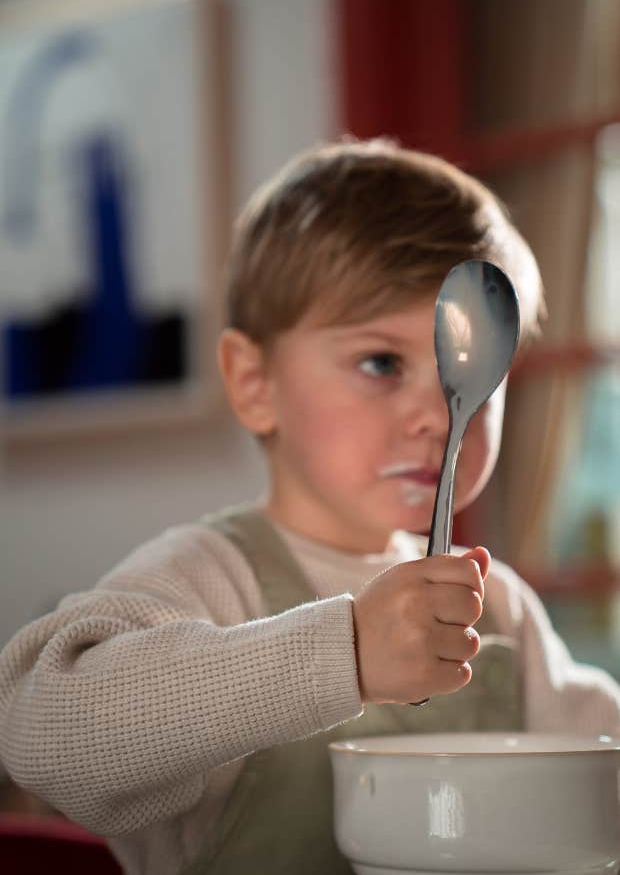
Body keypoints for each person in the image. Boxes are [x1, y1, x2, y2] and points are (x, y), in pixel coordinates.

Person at [1, 138, 619, 875]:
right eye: (381, 363)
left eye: (472, 377)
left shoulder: (502, 612)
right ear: (254, 382)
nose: (436, 414)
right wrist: (346, 653)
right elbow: (44, 736)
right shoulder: (208, 577)